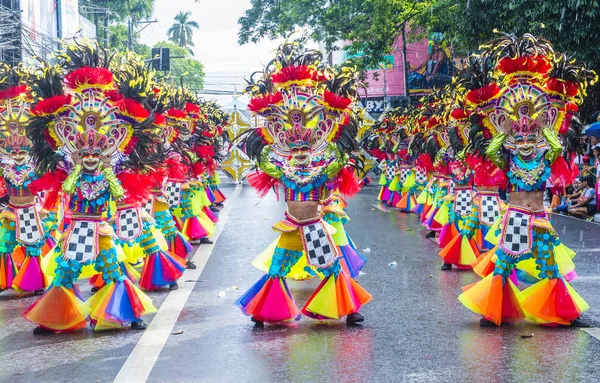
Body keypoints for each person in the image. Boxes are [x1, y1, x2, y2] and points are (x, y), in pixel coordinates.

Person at [235, 43, 372, 326]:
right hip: (290, 226)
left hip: (314, 227)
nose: (299, 153)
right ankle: (263, 312)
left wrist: (335, 126)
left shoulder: (322, 169)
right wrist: (264, 138)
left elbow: (337, 158)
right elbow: (263, 160)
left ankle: (349, 310)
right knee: (276, 269)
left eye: (304, 150)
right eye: (294, 149)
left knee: (332, 267)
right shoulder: (282, 169)